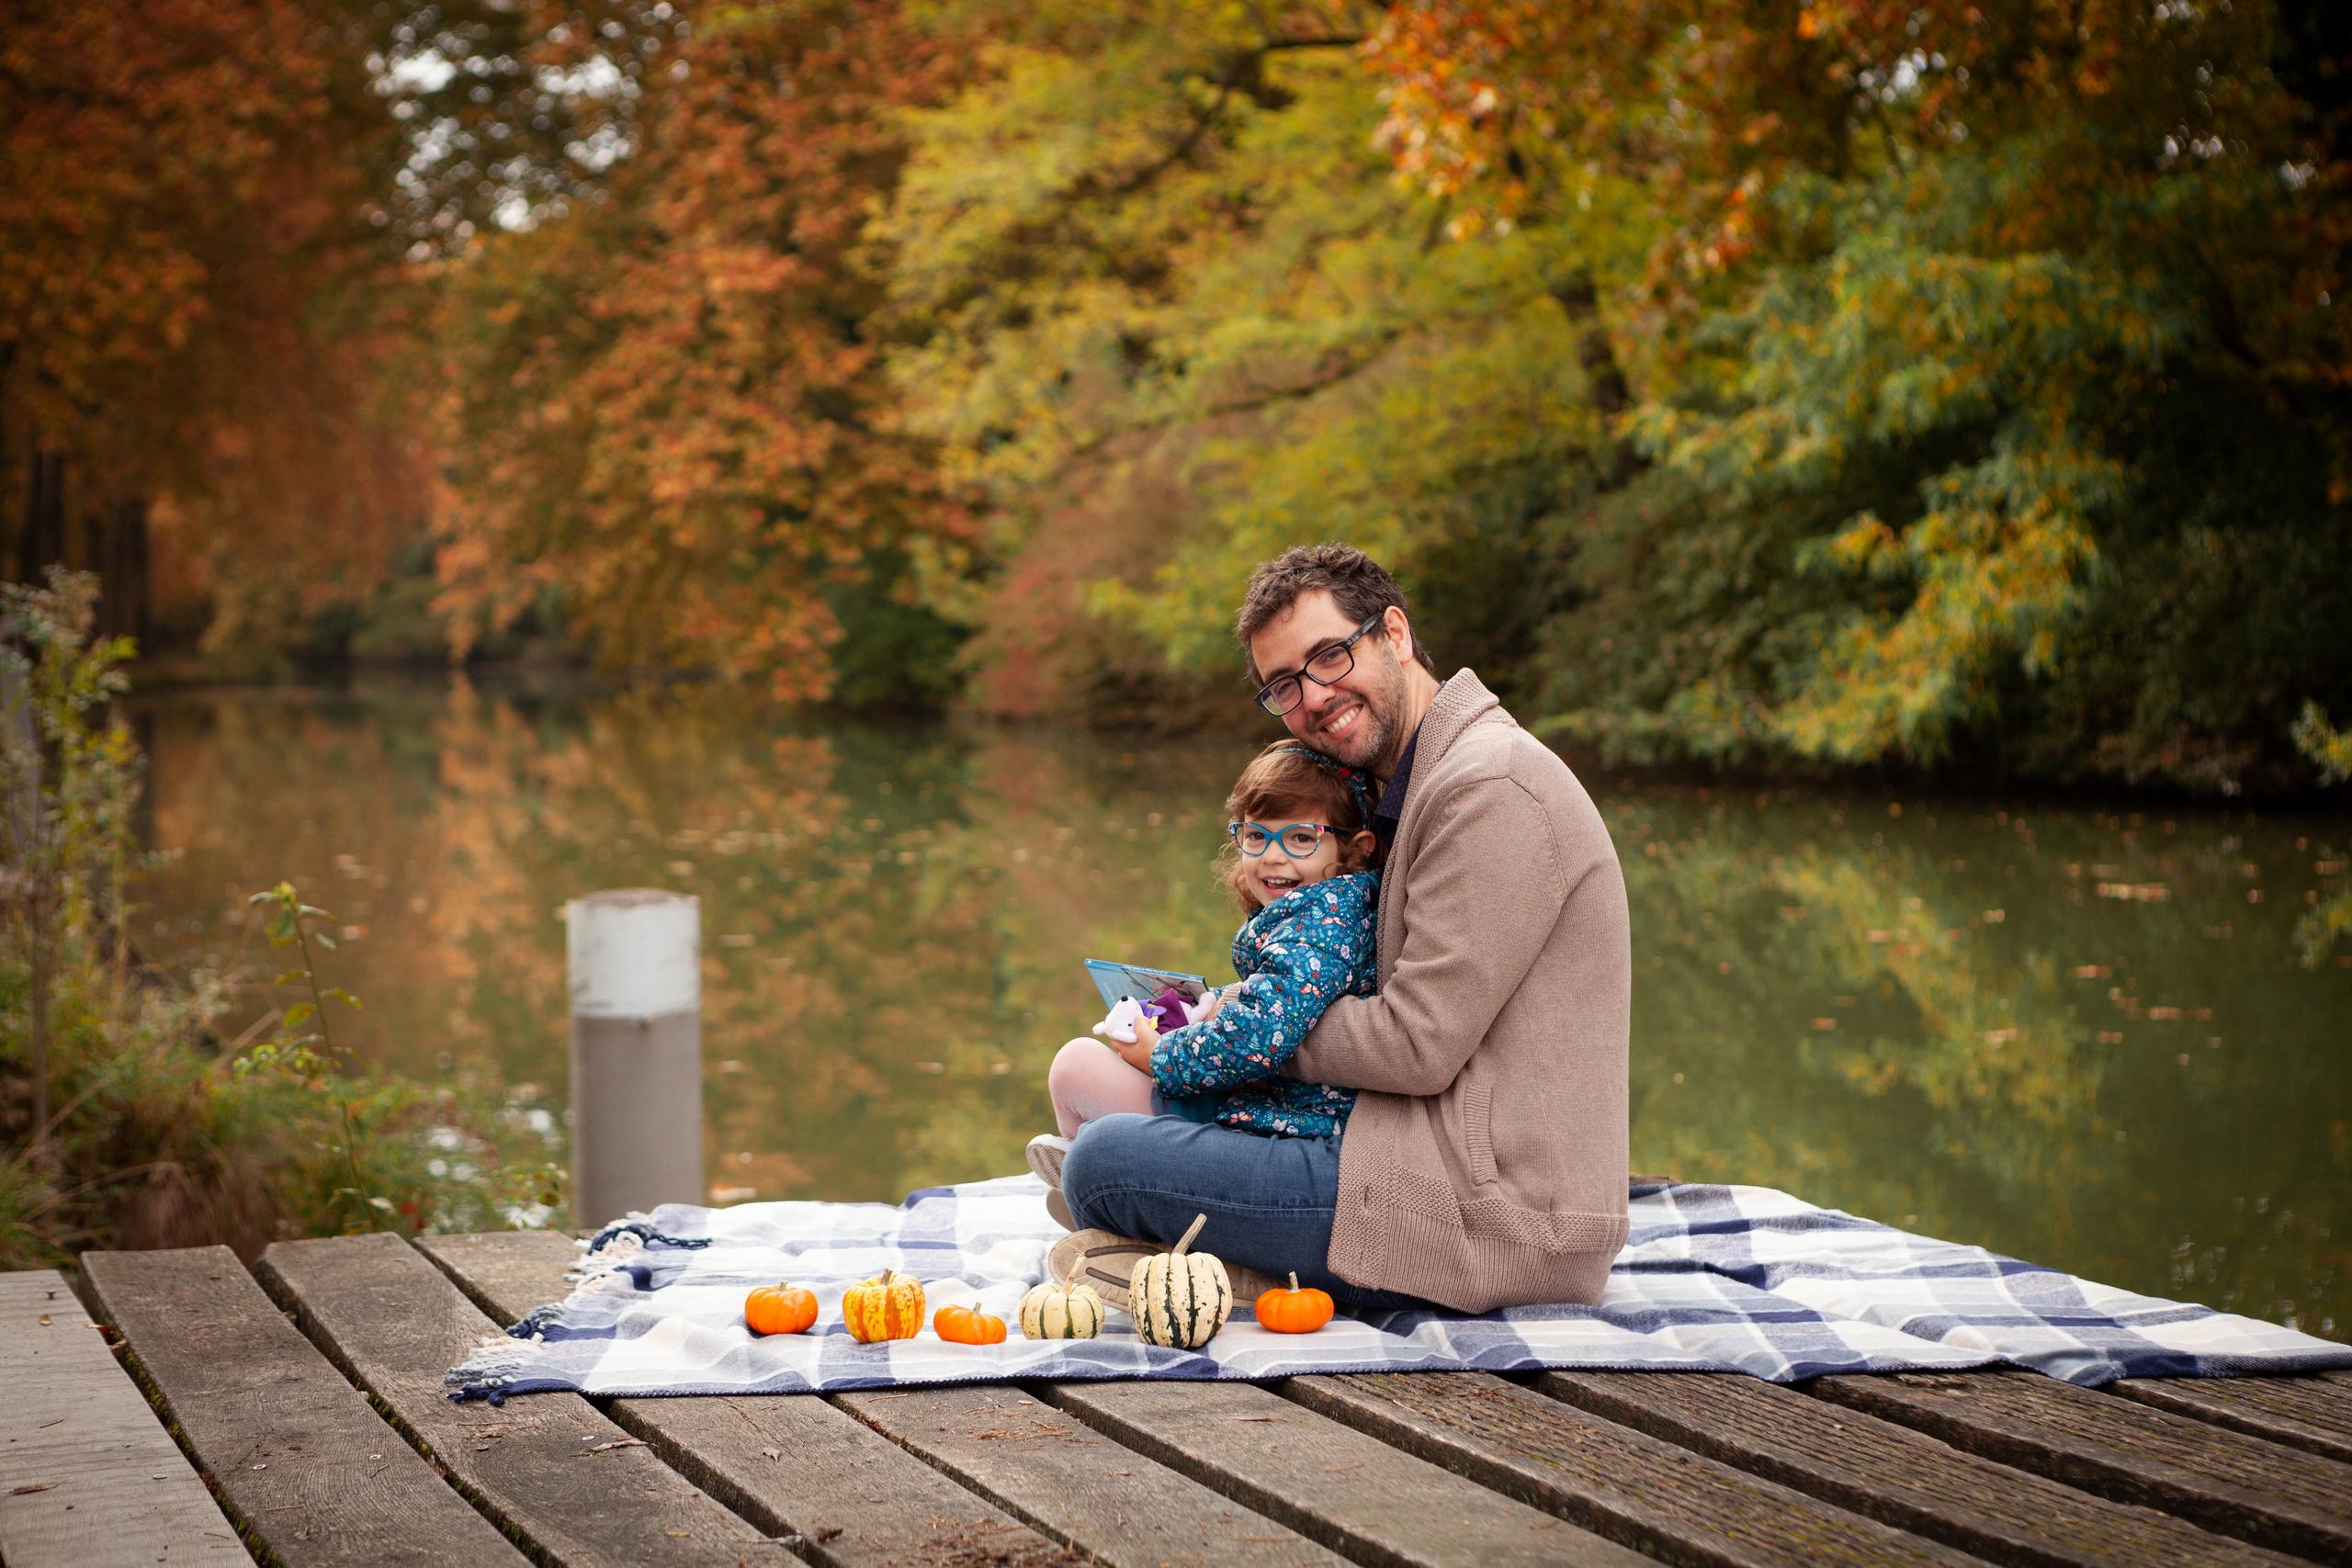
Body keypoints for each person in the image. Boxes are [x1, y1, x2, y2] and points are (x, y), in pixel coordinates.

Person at [1049, 544, 1630, 1314]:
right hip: (1399, 1147)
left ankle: (1231, 1263)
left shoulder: (1489, 786)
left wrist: (1250, 1027)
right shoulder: (1407, 781)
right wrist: (1231, 1011)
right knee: (1106, 1088)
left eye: (1329, 656)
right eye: (1283, 684)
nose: (1313, 695)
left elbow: (1416, 1044)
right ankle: (1216, 1250)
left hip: (1490, 1215)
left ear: (1393, 632)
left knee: (1104, 1164)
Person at [1031, 745, 1382, 1213]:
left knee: (1075, 1068)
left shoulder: (1324, 918)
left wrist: (1160, 1055)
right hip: (1269, 1103)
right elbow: (1277, 1000)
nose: (1273, 857)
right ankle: (1093, 1174)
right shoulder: (1328, 909)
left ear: (1356, 849)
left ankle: (1102, 1184)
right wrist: (1208, 1007)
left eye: (1300, 838)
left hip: (1282, 1126)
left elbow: (1261, 1035)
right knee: (1081, 1070)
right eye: (1256, 837)